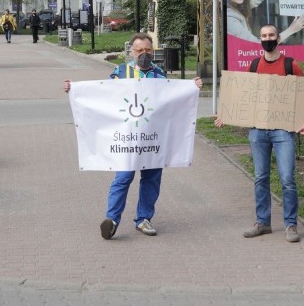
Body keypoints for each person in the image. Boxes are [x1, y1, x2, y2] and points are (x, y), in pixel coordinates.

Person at [64, 33, 203, 239]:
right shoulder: (120, 73)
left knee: (151, 178)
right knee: (123, 177)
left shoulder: (159, 75)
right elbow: (102, 96)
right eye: (139, 51)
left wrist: (191, 87)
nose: (144, 54)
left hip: (151, 139)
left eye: (148, 50)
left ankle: (143, 219)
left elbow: (171, 100)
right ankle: (111, 220)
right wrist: (73, 89)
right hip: (127, 139)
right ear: (131, 52)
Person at [215, 23, 304, 243]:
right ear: (259, 39)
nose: (267, 38)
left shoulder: (291, 65)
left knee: (287, 179)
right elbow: (243, 97)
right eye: (263, 35)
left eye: (271, 35)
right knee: (260, 178)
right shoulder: (254, 65)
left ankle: (291, 225)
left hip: (283, 132)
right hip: (258, 132)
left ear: (279, 39)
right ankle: (263, 222)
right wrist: (226, 115)